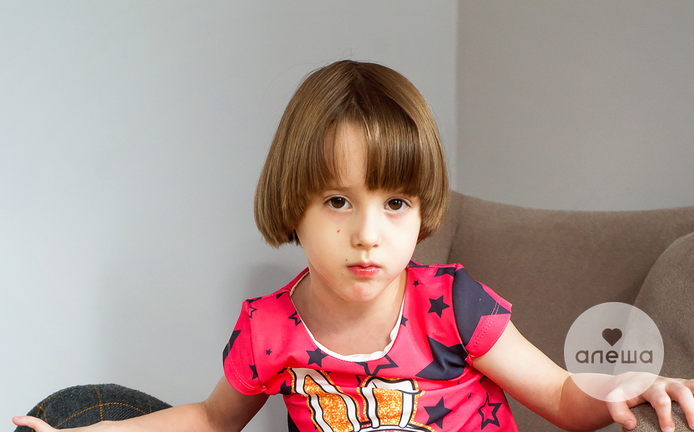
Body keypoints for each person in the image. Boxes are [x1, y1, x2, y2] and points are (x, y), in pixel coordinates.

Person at [13, 60, 694, 432]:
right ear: (295, 207)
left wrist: (629, 386)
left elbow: (563, 399)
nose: (368, 234)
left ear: (421, 213)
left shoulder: (452, 305)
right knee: (78, 409)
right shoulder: (269, 328)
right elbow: (212, 420)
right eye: (338, 202)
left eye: (395, 204)